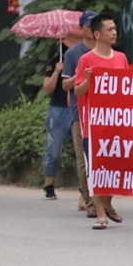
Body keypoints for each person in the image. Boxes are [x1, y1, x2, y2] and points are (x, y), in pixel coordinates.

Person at [73, 13, 129, 230]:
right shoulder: (86, 59)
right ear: (97, 34)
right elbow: (78, 90)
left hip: (118, 123)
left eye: (115, 28)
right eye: (109, 29)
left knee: (116, 168)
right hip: (94, 126)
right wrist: (88, 80)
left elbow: (127, 88)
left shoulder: (121, 58)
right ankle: (100, 213)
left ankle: (107, 202)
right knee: (96, 170)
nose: (114, 32)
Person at [61, 10, 97, 216]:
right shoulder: (73, 54)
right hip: (80, 112)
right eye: (90, 25)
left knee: (102, 157)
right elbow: (65, 84)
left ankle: (103, 199)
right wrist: (80, 76)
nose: (93, 29)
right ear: (82, 28)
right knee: (83, 159)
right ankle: (89, 200)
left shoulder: (108, 52)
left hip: (105, 114)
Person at [41, 31, 82, 201]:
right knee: (54, 148)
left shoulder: (83, 57)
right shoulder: (55, 60)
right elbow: (47, 88)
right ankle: (48, 184)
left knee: (81, 151)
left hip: (78, 106)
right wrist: (57, 71)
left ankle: (84, 190)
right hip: (58, 108)